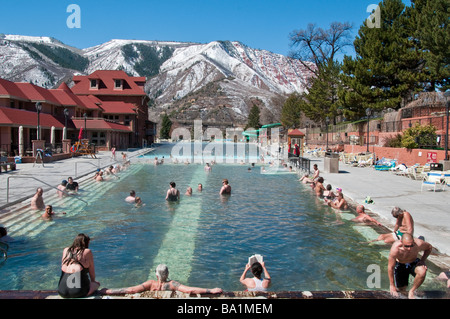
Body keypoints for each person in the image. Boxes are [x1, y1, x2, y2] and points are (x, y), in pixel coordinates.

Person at [100, 263, 222, 296]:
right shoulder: (172, 284)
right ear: (167, 274)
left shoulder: (150, 284)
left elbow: (131, 290)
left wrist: (108, 291)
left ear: (156, 275)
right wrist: (210, 290)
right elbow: (189, 290)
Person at [388, 233, 432, 299]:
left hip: (413, 262)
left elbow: (429, 247)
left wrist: (423, 260)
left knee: (422, 271)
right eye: (406, 246)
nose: (409, 249)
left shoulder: (418, 243)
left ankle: (412, 290)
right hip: (401, 264)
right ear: (401, 242)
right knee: (401, 289)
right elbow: (390, 267)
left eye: (411, 246)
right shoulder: (395, 249)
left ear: (413, 241)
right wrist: (392, 285)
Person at [58, 234, 100, 298]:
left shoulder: (66, 250)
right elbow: (92, 271)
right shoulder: (87, 251)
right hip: (78, 292)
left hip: (62, 292)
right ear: (87, 242)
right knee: (96, 284)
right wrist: (93, 282)